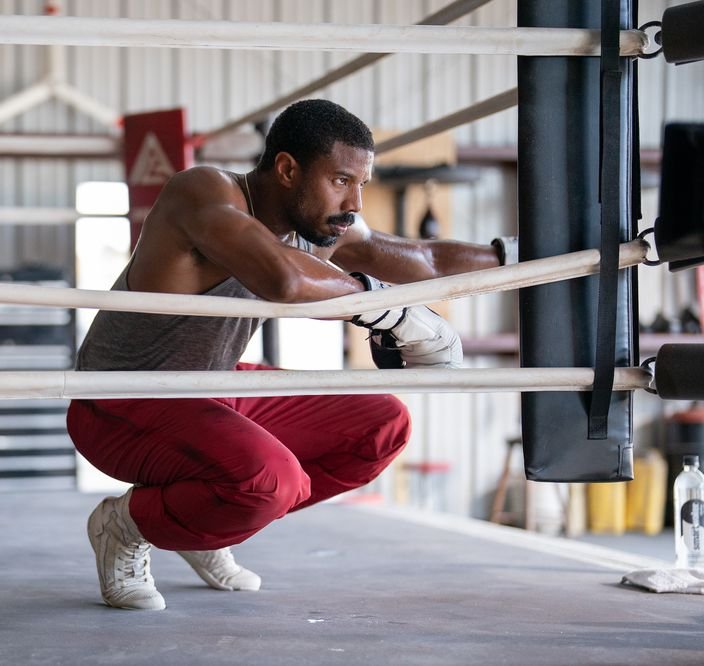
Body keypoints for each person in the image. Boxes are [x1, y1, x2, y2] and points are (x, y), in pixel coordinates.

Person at [67, 99, 513, 611]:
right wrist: (389, 312)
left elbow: (423, 256)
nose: (356, 201)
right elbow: (281, 277)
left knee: (381, 424)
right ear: (286, 169)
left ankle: (198, 524)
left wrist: (518, 256)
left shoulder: (321, 222)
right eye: (342, 180)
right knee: (271, 482)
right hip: (121, 400)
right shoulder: (204, 193)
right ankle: (125, 526)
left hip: (212, 387)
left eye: (362, 184)